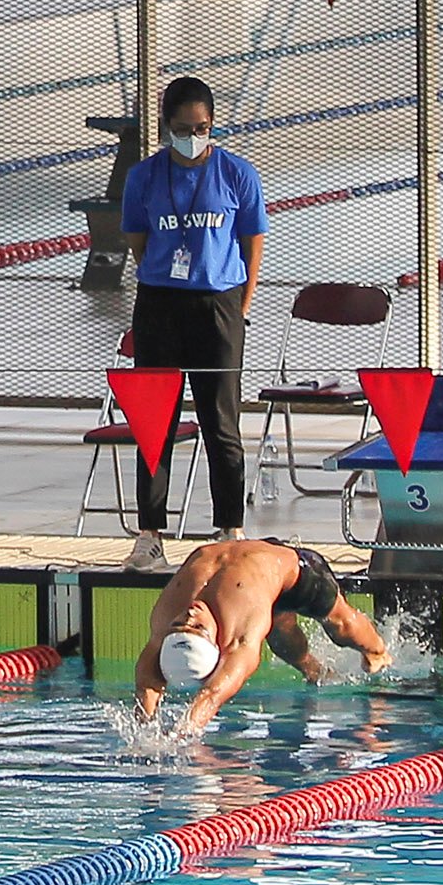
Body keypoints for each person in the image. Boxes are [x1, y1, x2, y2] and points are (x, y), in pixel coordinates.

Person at [115, 74, 271, 567]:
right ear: (166, 127)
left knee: (220, 422)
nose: (193, 136)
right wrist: (164, 278)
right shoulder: (144, 177)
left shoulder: (237, 174)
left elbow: (253, 243)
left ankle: (229, 526)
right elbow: (137, 243)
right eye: (183, 128)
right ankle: (150, 534)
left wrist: (241, 307)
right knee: (153, 423)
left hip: (218, 304)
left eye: (202, 127)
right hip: (161, 304)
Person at [132, 534, 388, 734]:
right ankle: (314, 670)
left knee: (341, 627)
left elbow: (151, 683)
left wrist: (167, 729)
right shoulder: (240, 632)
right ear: (218, 645)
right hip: (260, 572)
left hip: (295, 567)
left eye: (179, 625)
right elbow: (211, 694)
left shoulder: (164, 618)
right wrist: (169, 734)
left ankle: (379, 652)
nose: (189, 615)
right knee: (278, 635)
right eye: (198, 627)